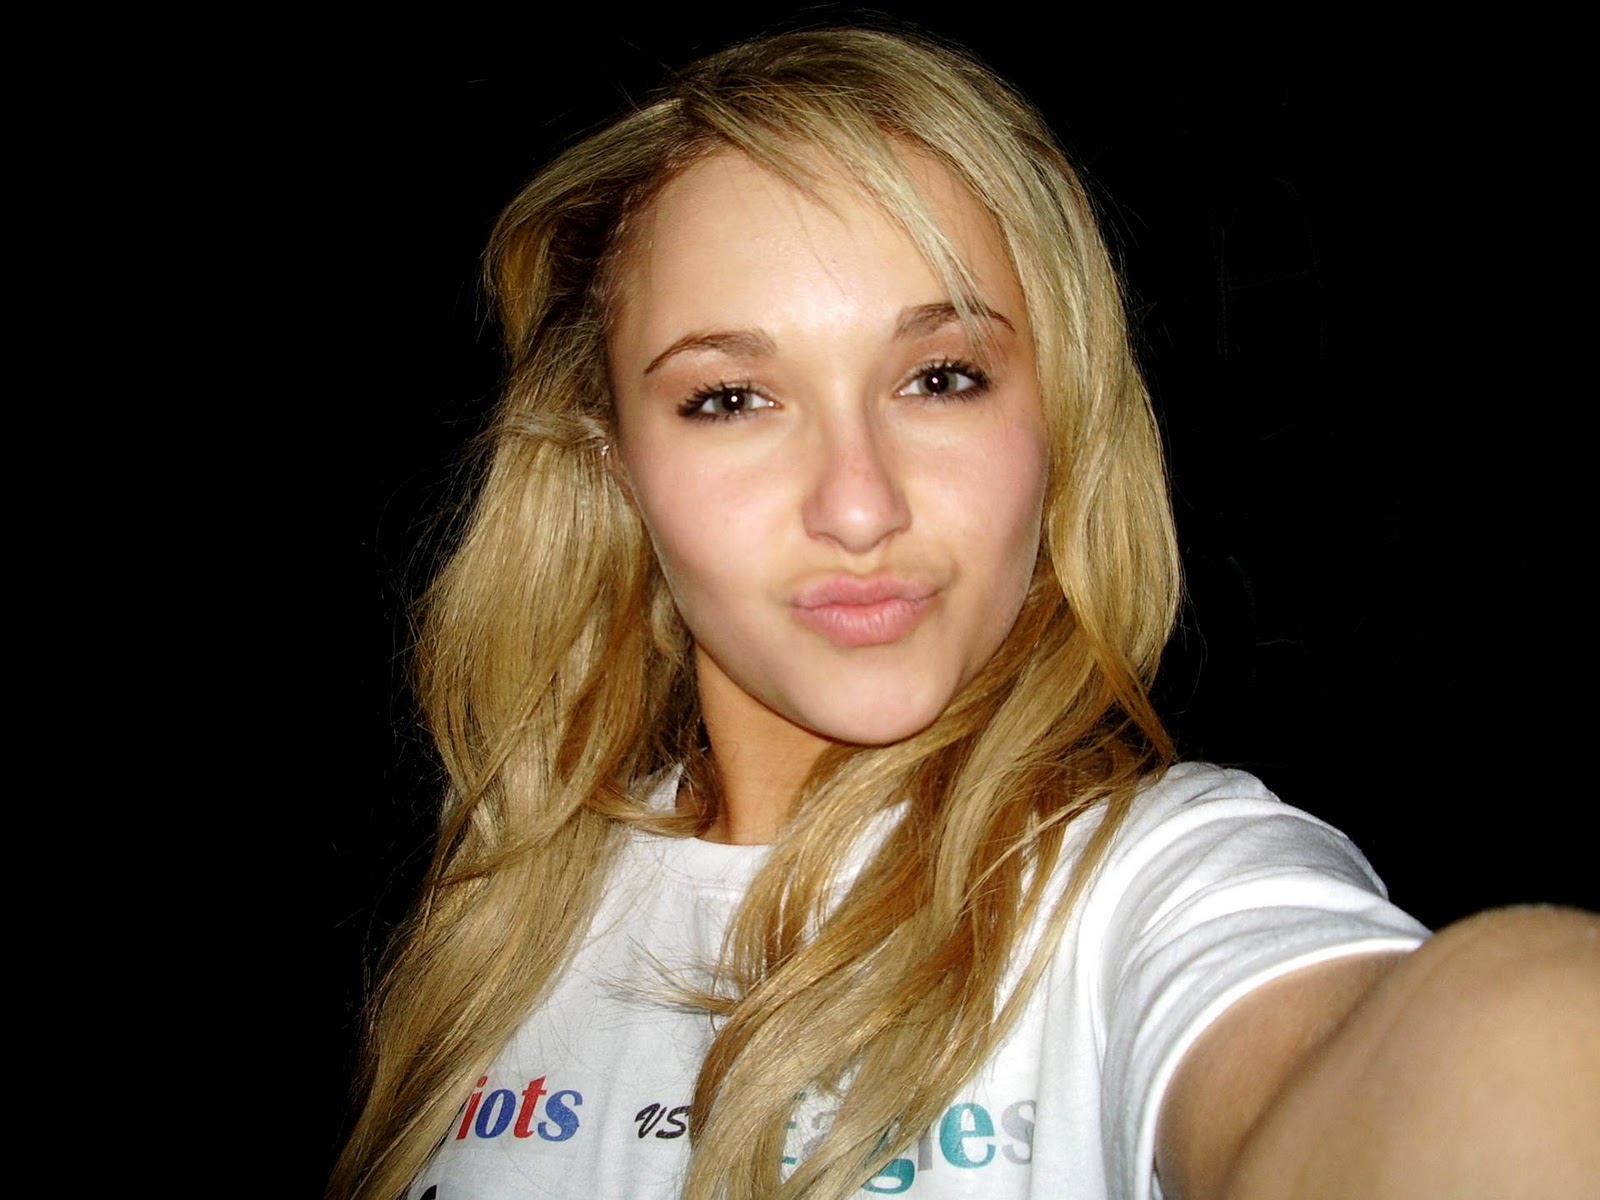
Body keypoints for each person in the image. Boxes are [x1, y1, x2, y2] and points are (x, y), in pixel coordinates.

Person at [330, 27, 1600, 1200]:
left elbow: (1449, 1069)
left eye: (940, 378)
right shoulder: (499, 905)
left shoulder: (1149, 892)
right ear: (614, 457)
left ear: (1058, 415)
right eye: (730, 398)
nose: (858, 505)